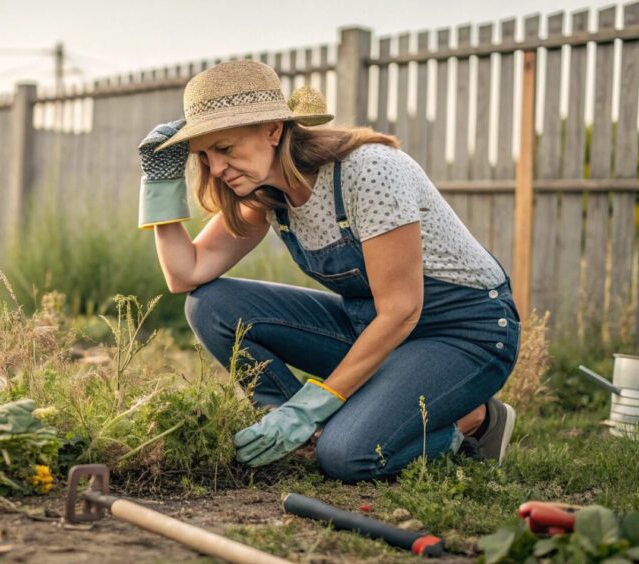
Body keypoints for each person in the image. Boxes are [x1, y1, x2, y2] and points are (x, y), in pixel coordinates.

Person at [136, 60, 521, 483]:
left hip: (462, 333)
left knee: (346, 456)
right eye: (204, 157)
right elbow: (184, 275)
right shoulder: (266, 193)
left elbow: (402, 309)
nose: (216, 169)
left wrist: (314, 401)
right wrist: (159, 183)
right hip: (374, 329)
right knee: (211, 304)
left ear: (273, 130)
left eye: (225, 148)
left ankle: (472, 422)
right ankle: (300, 435)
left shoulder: (368, 170)